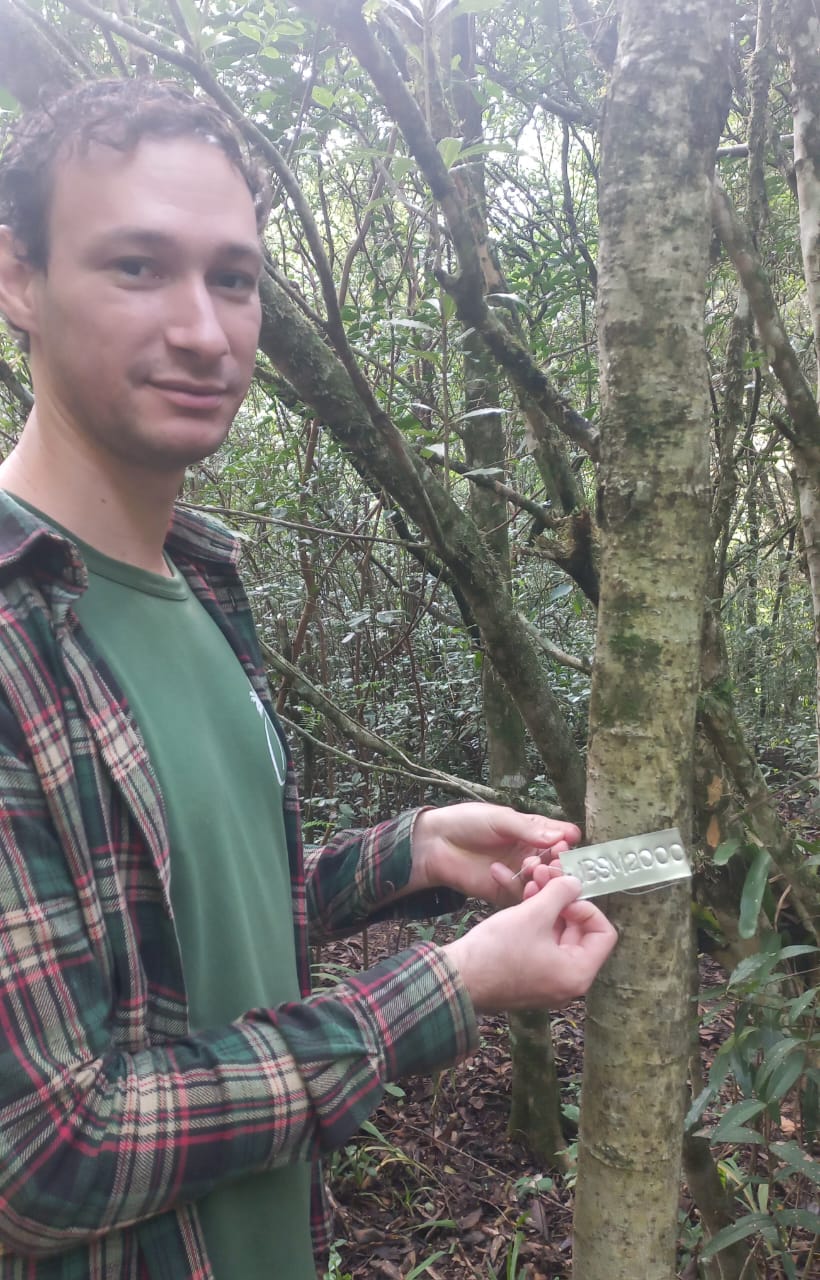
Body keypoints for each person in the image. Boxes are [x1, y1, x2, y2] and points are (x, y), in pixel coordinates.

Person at [0, 79, 617, 1280]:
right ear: (16, 277)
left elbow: (164, 930)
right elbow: (50, 1149)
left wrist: (409, 855)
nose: (203, 328)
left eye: (232, 277)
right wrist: (444, 988)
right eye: (137, 266)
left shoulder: (197, 574)